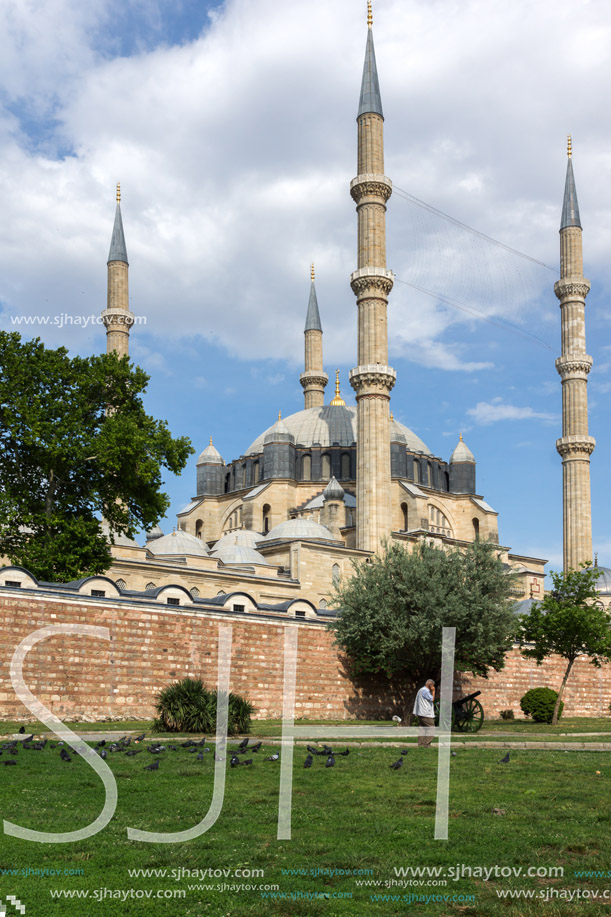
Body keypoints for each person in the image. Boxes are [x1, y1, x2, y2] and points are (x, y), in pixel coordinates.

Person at [413, 679, 435, 747]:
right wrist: (433, 691)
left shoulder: (421, 690)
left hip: (421, 712)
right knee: (432, 728)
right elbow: (432, 699)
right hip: (426, 713)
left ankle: (420, 743)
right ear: (430, 685)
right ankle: (427, 743)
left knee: (422, 728)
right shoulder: (425, 691)